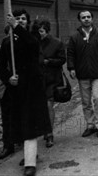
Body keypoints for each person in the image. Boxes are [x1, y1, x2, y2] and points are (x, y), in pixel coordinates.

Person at [0, 9, 51, 176]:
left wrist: (15, 26)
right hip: (16, 89)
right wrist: (8, 78)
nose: (20, 21)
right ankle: (30, 154)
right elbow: (0, 66)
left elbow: (33, 46)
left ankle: (30, 164)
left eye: (23, 19)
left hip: (32, 88)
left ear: (27, 22)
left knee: (30, 123)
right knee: (21, 125)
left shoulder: (33, 38)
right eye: (17, 18)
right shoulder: (7, 43)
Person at [67, 11, 98, 138]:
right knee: (86, 102)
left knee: (97, 98)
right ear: (80, 20)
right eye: (83, 17)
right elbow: (70, 53)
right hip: (83, 74)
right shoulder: (74, 36)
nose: (86, 19)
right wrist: (71, 68)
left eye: (88, 17)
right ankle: (90, 125)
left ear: (92, 18)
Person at [38, 19, 67, 148]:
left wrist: (48, 62)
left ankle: (49, 134)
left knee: (49, 104)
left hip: (51, 79)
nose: (40, 34)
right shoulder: (33, 43)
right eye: (37, 32)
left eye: (42, 31)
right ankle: (44, 129)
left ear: (47, 30)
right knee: (39, 107)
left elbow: (62, 60)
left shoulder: (57, 43)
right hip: (37, 79)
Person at [0, 26, 14, 160]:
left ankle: (22, 141)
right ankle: (8, 145)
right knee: (6, 118)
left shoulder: (25, 46)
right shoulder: (0, 49)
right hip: (5, 87)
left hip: (20, 87)